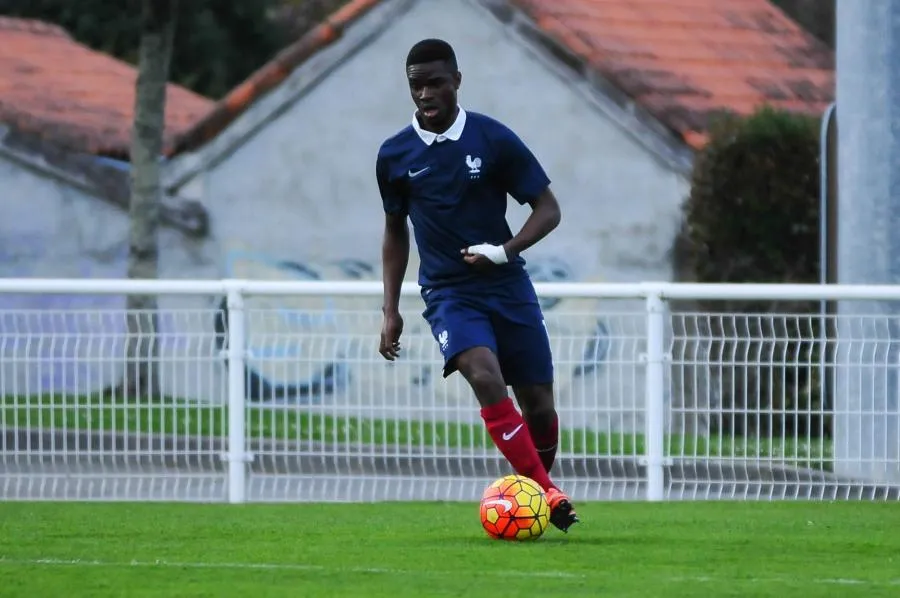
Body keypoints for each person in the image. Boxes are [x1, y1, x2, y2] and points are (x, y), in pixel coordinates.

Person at [376, 38, 578, 532]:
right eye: (415, 85)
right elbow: (394, 230)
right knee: (484, 375)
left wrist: (505, 251)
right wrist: (390, 309)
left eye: (434, 83)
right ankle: (547, 496)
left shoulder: (492, 139)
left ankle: (528, 496)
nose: (425, 93)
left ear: (457, 82)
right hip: (448, 293)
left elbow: (547, 209)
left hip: (508, 286)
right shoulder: (394, 155)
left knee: (540, 406)